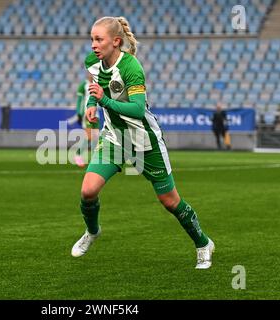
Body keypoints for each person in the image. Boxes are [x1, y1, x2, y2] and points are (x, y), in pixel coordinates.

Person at [71, 16, 215, 269]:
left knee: (170, 201)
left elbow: (137, 110)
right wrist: (91, 106)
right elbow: (94, 86)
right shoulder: (92, 61)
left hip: (143, 140)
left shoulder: (131, 68)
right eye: (92, 39)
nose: (93, 44)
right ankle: (92, 232)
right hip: (115, 137)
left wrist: (103, 101)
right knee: (88, 191)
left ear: (116, 42)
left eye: (99, 39)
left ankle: (203, 244)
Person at [74, 72, 100, 167]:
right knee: (89, 136)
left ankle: (94, 159)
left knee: (96, 137)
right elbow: (80, 101)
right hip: (87, 114)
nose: (91, 74)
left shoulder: (97, 84)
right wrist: (79, 114)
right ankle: (78, 155)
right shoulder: (83, 85)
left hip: (96, 115)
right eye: (90, 72)